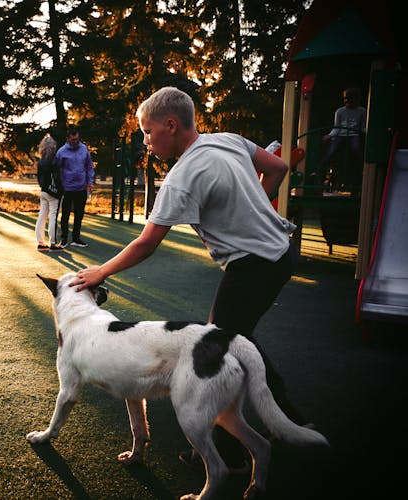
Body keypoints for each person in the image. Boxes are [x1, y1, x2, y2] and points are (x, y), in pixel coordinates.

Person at [70, 87, 305, 471]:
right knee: (237, 339)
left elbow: (147, 244)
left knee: (219, 345)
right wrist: (260, 207)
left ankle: (234, 453)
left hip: (255, 264)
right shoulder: (228, 140)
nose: (145, 140)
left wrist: (101, 271)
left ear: (171, 125)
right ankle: (287, 419)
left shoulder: (182, 176)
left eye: (147, 132)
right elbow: (277, 167)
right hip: (281, 250)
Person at [314, 87, 366, 185]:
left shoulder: (362, 111)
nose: (347, 101)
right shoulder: (340, 111)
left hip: (354, 134)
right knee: (331, 151)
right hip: (341, 135)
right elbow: (337, 127)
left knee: (356, 149)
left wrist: (365, 132)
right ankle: (319, 171)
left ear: (356, 99)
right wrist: (329, 135)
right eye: (345, 98)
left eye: (350, 98)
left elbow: (362, 126)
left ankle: (362, 169)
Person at [57, 128, 94, 248]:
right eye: (73, 140)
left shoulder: (83, 149)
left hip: (81, 188)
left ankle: (76, 238)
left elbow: (89, 166)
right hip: (67, 188)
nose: (76, 141)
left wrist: (90, 182)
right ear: (68, 139)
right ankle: (64, 239)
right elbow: (57, 171)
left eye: (77, 139)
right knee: (65, 214)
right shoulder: (61, 152)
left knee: (79, 214)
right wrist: (60, 185)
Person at [35, 134, 64, 251]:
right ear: (53, 147)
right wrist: (61, 189)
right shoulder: (54, 160)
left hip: (43, 191)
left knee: (42, 216)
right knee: (53, 216)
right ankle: (53, 242)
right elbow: (57, 177)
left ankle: (40, 242)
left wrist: (43, 186)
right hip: (53, 192)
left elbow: (39, 177)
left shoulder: (41, 161)